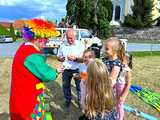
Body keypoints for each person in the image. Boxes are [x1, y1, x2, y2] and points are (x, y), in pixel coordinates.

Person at [10, 19, 63, 120]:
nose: (47, 41)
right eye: (45, 38)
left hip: (23, 93)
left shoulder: (24, 47)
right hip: (27, 97)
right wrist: (56, 71)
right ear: (36, 38)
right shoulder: (31, 54)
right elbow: (47, 74)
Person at [103, 37, 132, 120]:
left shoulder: (117, 64)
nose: (105, 50)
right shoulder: (105, 59)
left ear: (114, 50)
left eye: (107, 49)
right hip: (108, 87)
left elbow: (112, 80)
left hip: (111, 88)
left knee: (117, 104)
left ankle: (119, 118)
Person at [57, 28, 85, 109]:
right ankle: (68, 100)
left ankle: (80, 102)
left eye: (71, 38)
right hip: (66, 69)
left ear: (75, 36)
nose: (70, 40)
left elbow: (84, 59)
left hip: (78, 69)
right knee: (66, 86)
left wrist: (76, 59)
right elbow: (58, 56)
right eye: (68, 38)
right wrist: (60, 58)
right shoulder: (63, 45)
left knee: (80, 87)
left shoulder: (81, 45)